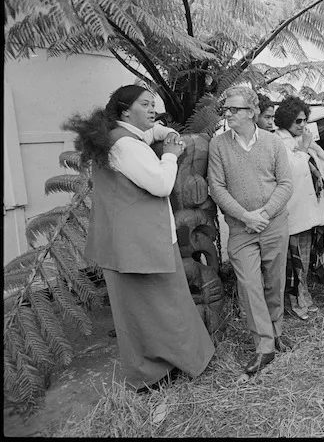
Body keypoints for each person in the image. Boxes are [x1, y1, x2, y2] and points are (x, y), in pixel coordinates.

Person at [65, 84, 215, 392]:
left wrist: (160, 133)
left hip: (128, 242)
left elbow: (145, 136)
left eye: (153, 104)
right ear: (124, 111)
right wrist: (172, 155)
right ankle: (161, 370)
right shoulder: (126, 146)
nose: (152, 109)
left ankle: (157, 369)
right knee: (162, 305)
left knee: (140, 311)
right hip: (139, 243)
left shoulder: (119, 137)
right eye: (145, 104)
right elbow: (160, 184)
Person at [207, 86, 294, 375]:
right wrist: (246, 216)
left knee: (274, 280)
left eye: (235, 109)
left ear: (252, 112)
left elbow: (285, 184)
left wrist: (265, 214)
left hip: (274, 224)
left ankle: (277, 332)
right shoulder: (218, 145)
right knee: (248, 285)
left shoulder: (273, 142)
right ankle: (264, 347)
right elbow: (216, 187)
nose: (228, 114)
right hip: (242, 229)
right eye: (226, 110)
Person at [274, 96, 324, 320]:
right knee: (294, 261)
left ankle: (304, 296)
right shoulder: (278, 142)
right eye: (297, 121)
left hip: (310, 212)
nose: (302, 125)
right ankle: (295, 301)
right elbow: (289, 172)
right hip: (294, 211)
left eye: (304, 121)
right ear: (285, 121)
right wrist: (302, 149)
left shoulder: (303, 141)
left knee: (306, 258)